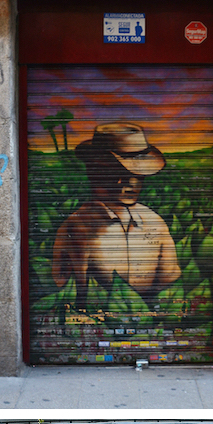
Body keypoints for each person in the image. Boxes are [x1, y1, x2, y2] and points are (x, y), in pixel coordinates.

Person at [51, 123, 181, 298]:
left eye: (138, 174)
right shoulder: (76, 227)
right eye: (119, 171)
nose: (131, 182)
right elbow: (64, 289)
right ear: (95, 170)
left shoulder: (155, 224)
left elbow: (170, 283)